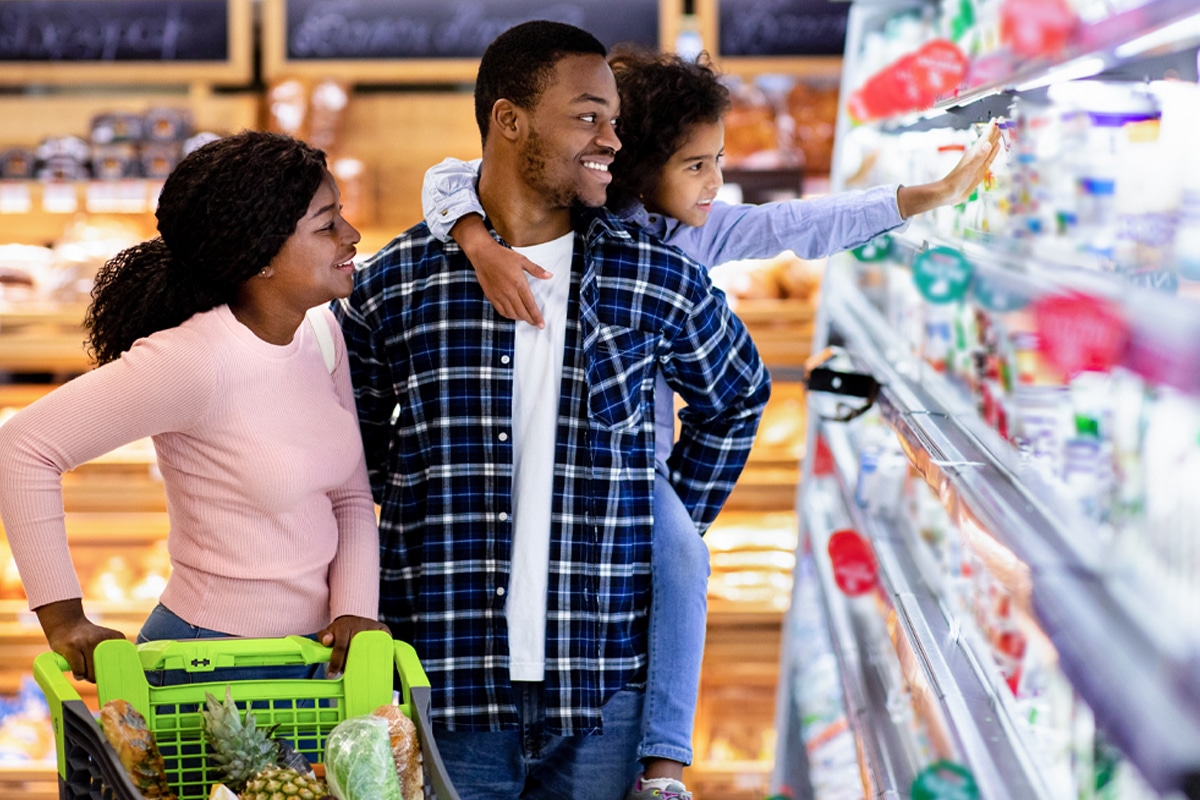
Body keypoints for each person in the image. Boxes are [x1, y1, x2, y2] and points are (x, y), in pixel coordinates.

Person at [421, 48, 1000, 799]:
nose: (715, 182)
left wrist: (923, 196)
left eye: (717, 162)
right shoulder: (569, 205)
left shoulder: (696, 236)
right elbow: (445, 179)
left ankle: (664, 761)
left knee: (684, 561)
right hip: (531, 464)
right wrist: (475, 239)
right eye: (696, 165)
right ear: (635, 162)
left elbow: (797, 224)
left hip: (634, 471)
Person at [333, 21, 770, 800]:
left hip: (601, 691)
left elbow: (736, 397)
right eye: (587, 116)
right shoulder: (394, 287)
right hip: (445, 689)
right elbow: (351, 460)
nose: (612, 138)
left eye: (615, 118)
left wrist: (664, 517)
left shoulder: (655, 279)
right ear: (510, 121)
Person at [0, 130, 387, 685]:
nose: (350, 236)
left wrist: (354, 612)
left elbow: (348, 496)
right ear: (261, 257)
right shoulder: (194, 360)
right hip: (208, 664)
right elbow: (22, 447)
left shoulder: (321, 333)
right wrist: (63, 620)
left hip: (315, 658)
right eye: (326, 225)